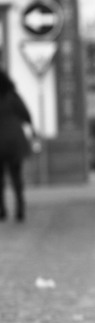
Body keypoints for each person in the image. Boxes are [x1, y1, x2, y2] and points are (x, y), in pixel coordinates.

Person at [0, 70, 34, 222]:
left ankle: (2, 210)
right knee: (16, 176)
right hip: (14, 141)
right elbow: (26, 115)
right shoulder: (12, 96)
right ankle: (20, 208)